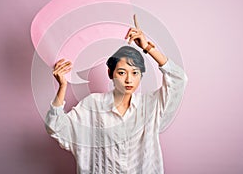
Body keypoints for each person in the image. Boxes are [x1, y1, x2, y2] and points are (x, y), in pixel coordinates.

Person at [45, 15, 188, 174]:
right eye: (121, 72)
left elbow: (178, 79)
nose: (129, 79)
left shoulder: (151, 105)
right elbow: (56, 128)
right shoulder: (93, 105)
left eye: (135, 73)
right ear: (110, 73)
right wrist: (62, 87)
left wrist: (148, 47)